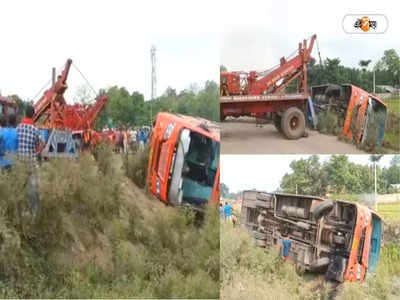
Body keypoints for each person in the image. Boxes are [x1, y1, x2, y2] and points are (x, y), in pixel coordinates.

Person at [17, 105, 44, 214]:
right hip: (31, 163)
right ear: (33, 115)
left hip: (19, 162)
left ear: (24, 114)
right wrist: (38, 152)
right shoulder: (35, 129)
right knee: (32, 187)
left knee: (20, 186)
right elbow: (42, 143)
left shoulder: (18, 127)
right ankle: (34, 212)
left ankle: (20, 210)